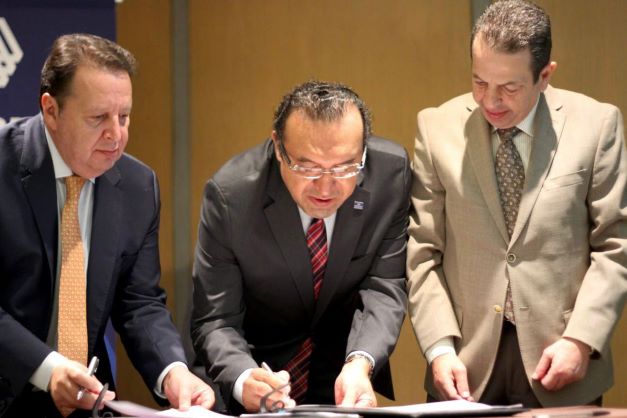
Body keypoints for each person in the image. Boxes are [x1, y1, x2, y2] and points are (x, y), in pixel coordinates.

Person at [407, 0, 627, 407]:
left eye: (509, 87)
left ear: (545, 75)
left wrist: (581, 338)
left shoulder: (597, 126)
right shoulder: (436, 127)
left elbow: (616, 245)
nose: (490, 101)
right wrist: (439, 348)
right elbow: (422, 252)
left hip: (561, 358)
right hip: (463, 364)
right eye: (479, 82)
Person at [0, 34, 215, 417]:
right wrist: (49, 369)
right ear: (51, 110)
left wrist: (173, 371)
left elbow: (139, 302)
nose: (116, 134)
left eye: (124, 116)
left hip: (88, 404)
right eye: (98, 118)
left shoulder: (137, 186)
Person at [191, 80, 410, 413]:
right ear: (278, 147)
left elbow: (385, 285)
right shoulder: (231, 196)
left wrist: (360, 362)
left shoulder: (390, 174)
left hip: (341, 377)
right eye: (307, 167)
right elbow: (216, 319)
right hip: (256, 372)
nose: (325, 187)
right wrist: (244, 376)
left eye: (345, 167)